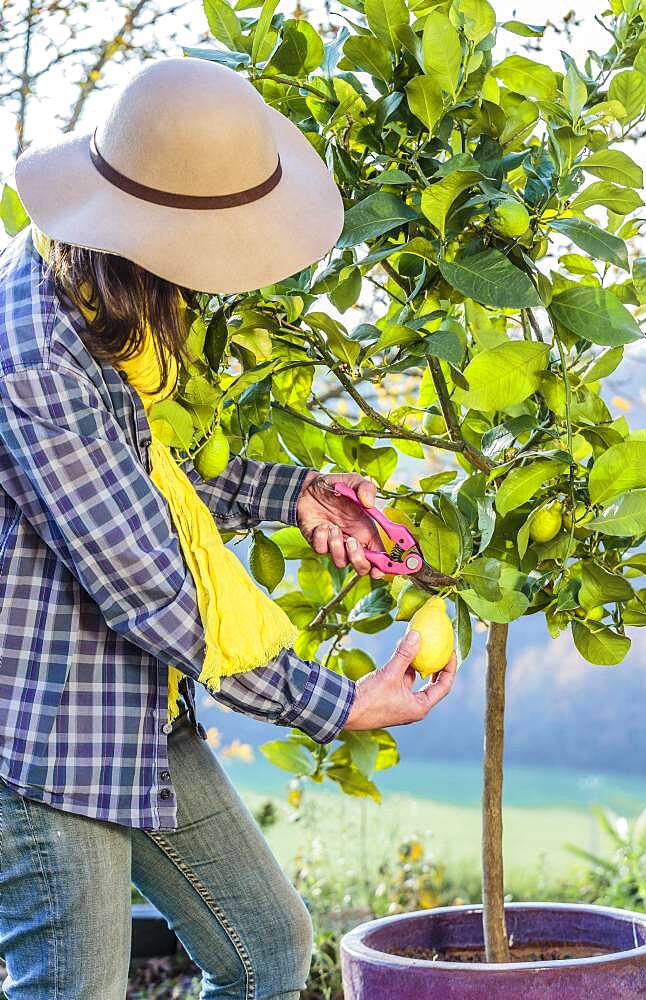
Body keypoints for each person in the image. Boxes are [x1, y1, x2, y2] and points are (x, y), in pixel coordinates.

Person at [0, 57, 457, 1000]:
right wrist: (341, 703)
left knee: (267, 954)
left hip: (133, 711)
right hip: (41, 734)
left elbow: (138, 486)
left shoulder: (82, 296)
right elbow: (150, 585)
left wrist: (289, 493)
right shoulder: (38, 357)